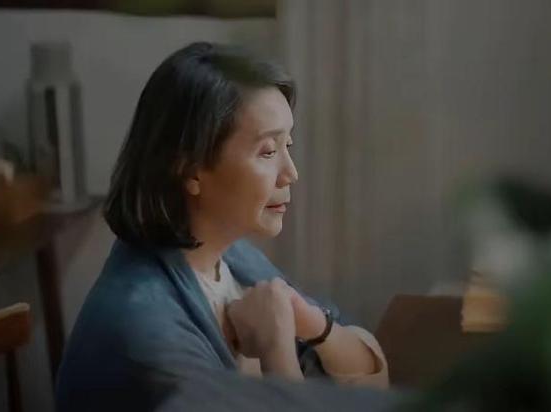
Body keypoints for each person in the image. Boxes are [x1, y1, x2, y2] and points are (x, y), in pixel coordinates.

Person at [56, 42, 389, 410]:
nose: (291, 173)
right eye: (268, 151)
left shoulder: (228, 256)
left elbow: (371, 377)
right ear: (189, 169)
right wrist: (276, 350)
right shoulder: (143, 326)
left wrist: (314, 326)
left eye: (288, 145)